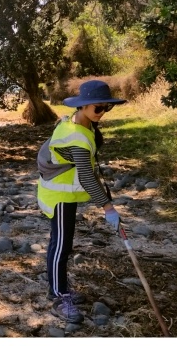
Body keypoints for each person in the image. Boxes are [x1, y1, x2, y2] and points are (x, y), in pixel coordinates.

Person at [35, 79, 126, 324]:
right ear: (83, 106)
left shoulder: (77, 122)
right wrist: (108, 207)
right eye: (98, 108)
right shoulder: (75, 135)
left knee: (63, 243)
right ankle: (57, 295)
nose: (103, 113)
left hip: (66, 193)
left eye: (107, 108)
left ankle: (61, 288)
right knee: (61, 245)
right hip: (60, 197)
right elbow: (86, 176)